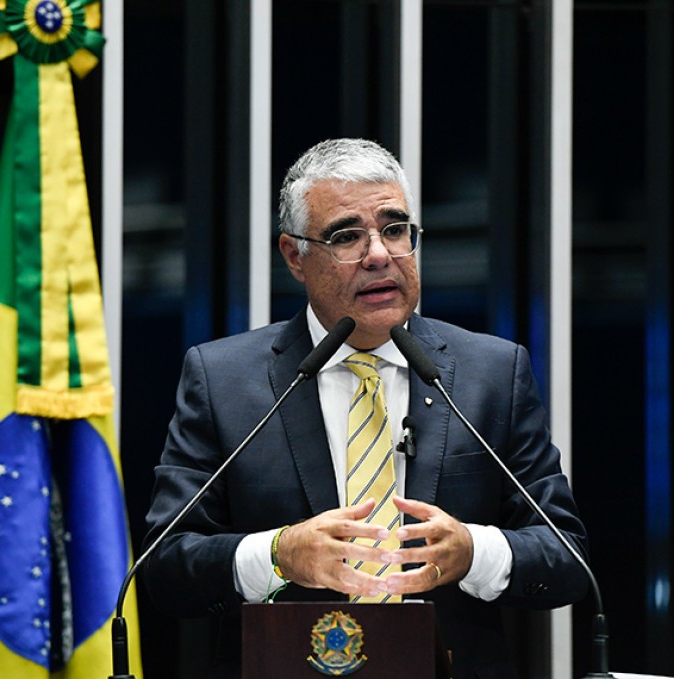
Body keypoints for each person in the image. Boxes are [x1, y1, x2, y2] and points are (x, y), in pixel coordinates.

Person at [141, 138, 589, 678]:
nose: (379, 255)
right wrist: (278, 555)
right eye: (346, 236)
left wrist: (474, 551)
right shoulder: (224, 380)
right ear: (294, 256)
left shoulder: (491, 373)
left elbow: (566, 558)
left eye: (395, 229)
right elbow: (165, 566)